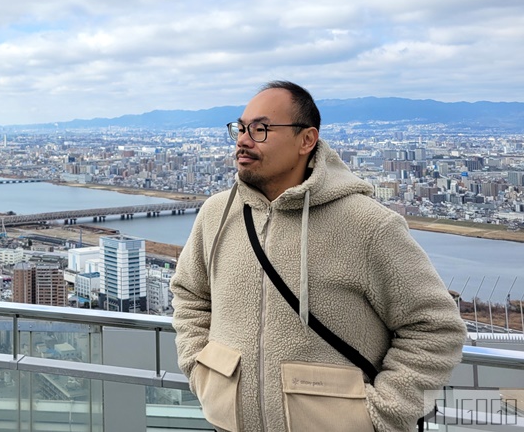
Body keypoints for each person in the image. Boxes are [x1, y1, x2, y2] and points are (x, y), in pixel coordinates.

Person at [170, 80, 465, 432]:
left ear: (306, 140)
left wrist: (381, 415)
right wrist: (202, 370)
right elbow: (190, 295)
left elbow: (435, 327)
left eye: (261, 129)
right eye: (241, 127)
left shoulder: (367, 225)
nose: (243, 140)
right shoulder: (217, 214)